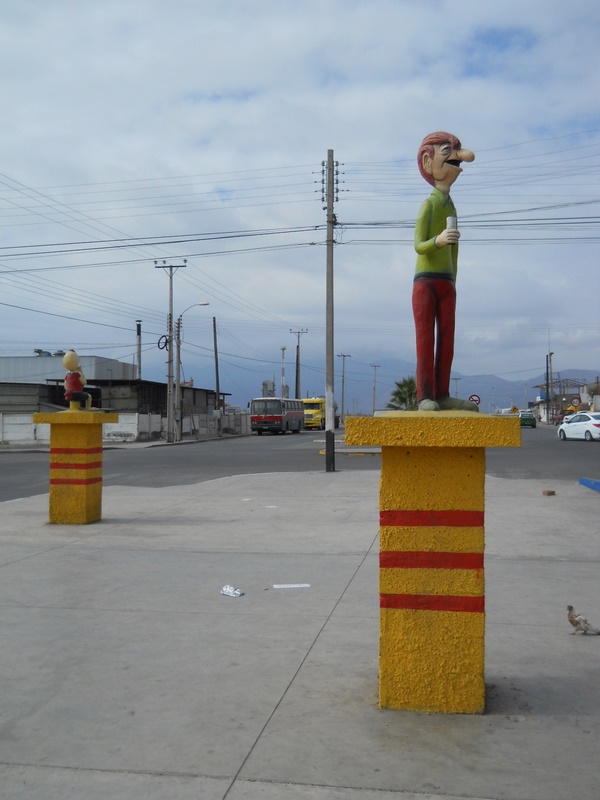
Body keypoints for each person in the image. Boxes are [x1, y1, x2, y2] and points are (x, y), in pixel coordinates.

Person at [413, 131, 478, 412]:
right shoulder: (428, 205)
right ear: (428, 162)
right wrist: (437, 240)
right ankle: (424, 395)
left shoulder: (451, 206)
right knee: (426, 339)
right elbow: (418, 245)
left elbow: (456, 251)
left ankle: (442, 392)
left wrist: (454, 280)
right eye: (447, 152)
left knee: (447, 339)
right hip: (425, 282)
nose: (457, 158)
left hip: (447, 282)